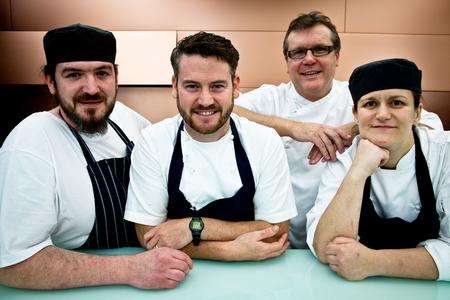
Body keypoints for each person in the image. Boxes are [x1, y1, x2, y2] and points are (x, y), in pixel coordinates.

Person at [0, 23, 192, 289]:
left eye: (102, 73)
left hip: (158, 278)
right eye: (74, 75)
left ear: (115, 76)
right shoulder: (30, 143)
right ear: (50, 81)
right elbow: (13, 264)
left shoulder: (128, 121)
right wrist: (131, 269)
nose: (91, 88)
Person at [234, 11, 443, 248]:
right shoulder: (271, 98)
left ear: (337, 56)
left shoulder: (361, 97)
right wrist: (294, 128)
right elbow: (227, 111)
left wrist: (354, 129)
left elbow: (428, 123)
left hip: (342, 231)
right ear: (287, 62)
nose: (309, 59)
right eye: (298, 52)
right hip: (279, 238)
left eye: (320, 49)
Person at [124, 31, 297, 261]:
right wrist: (227, 251)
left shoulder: (264, 141)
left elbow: (276, 232)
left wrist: (193, 227)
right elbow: (149, 237)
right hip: (177, 277)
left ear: (235, 86)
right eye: (192, 86)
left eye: (217, 86)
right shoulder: (153, 142)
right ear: (175, 86)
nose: (205, 100)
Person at [307, 58, 450, 281]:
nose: (382, 114)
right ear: (355, 114)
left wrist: (374, 262)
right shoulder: (344, 159)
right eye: (370, 104)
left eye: (397, 103)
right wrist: (358, 172)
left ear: (417, 113)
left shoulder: (444, 153)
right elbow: (327, 247)